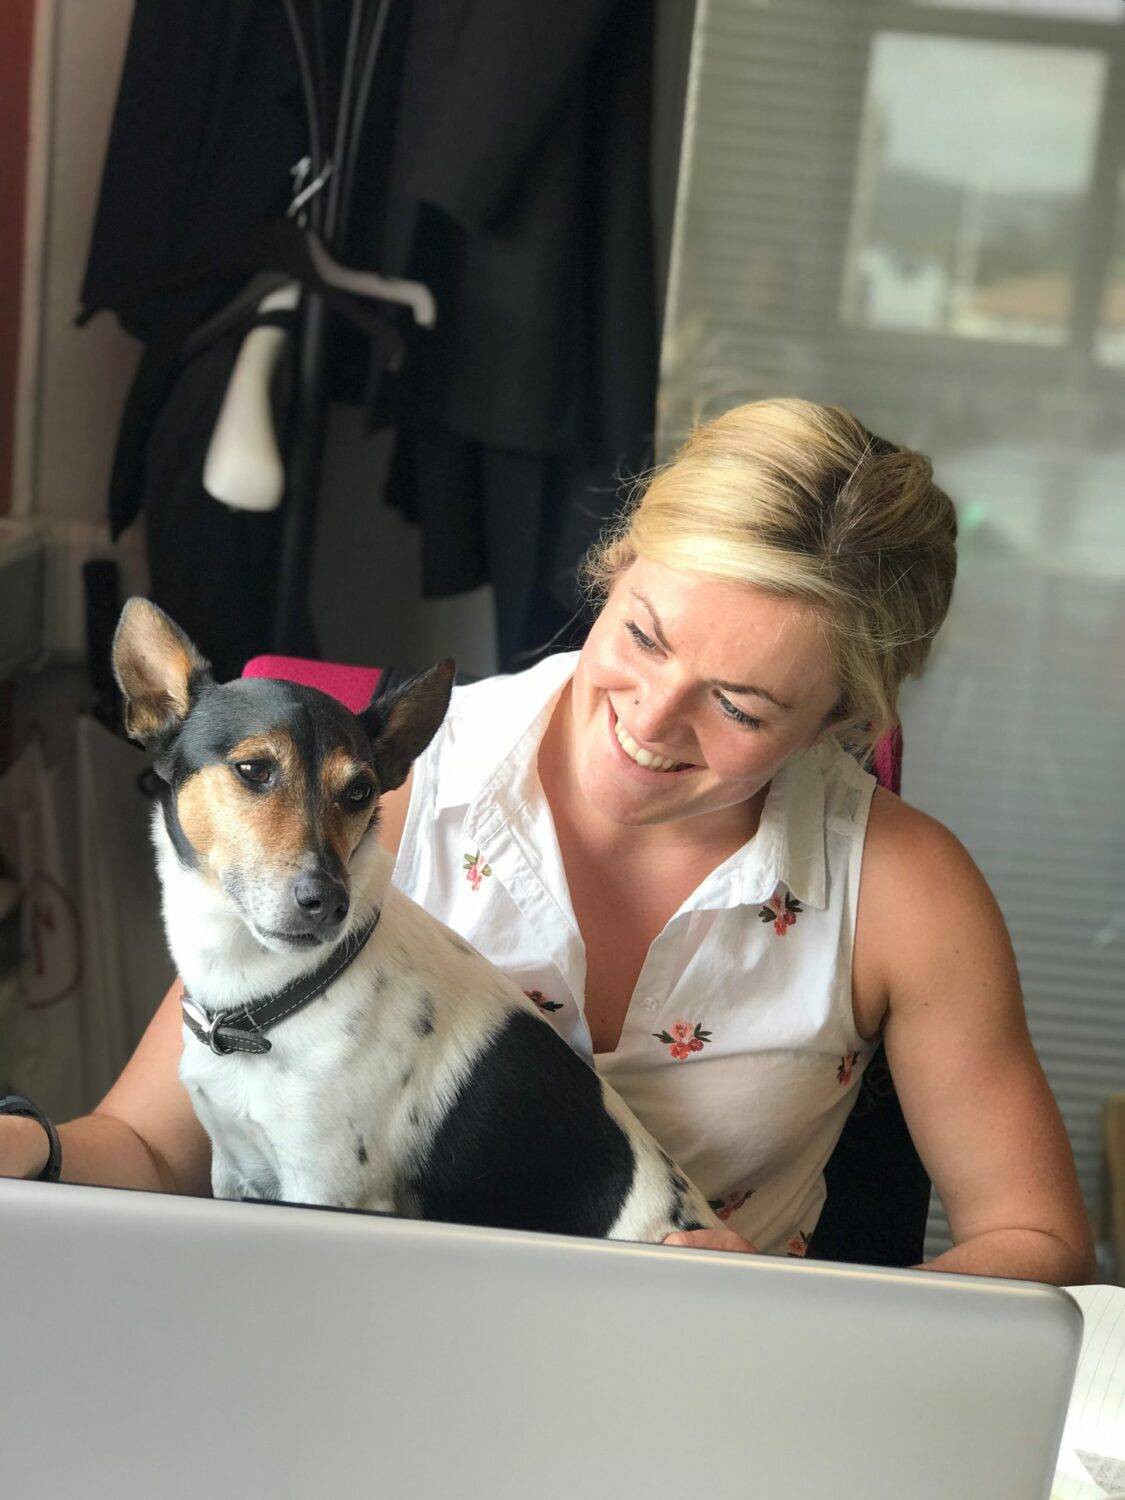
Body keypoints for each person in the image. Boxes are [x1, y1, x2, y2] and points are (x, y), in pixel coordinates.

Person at [0, 398, 1095, 1284]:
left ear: (847, 726)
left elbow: (1041, 1243)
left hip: (693, 1391)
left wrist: (804, 1307)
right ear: (616, 565)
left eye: (743, 707)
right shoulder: (374, 786)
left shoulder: (904, 891)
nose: (652, 722)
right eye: (644, 636)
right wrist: (36, 1149)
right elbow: (152, 1149)